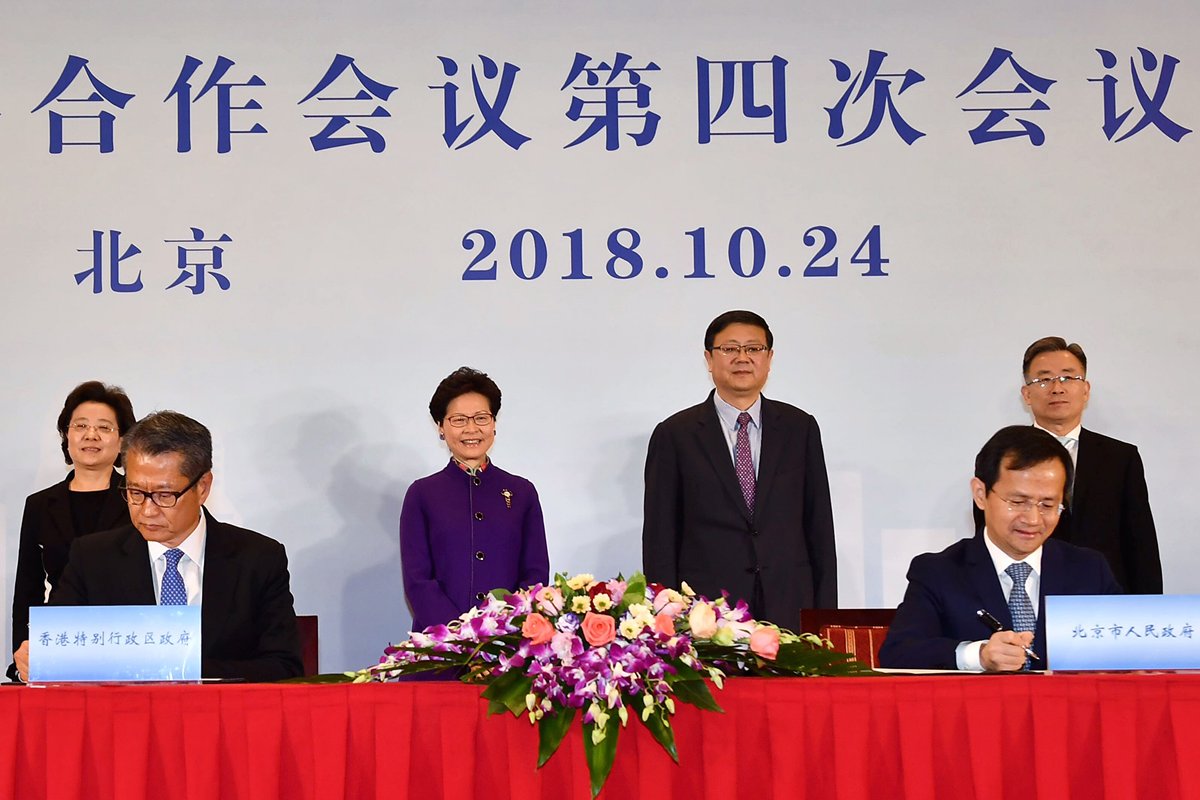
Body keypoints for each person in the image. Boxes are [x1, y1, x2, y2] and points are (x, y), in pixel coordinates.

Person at [12, 411, 302, 682]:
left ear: (202, 487)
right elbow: (59, 649)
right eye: (135, 492)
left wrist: (176, 669)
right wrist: (36, 659)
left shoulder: (258, 559)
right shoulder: (92, 559)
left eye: (164, 495)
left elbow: (284, 666)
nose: (147, 511)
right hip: (124, 717)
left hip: (221, 717)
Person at [642, 310, 837, 626]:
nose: (742, 358)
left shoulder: (799, 428)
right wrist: (666, 619)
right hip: (706, 614)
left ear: (769, 358)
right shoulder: (675, 434)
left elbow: (819, 529)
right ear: (709, 358)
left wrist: (825, 618)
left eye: (753, 348)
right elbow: (660, 539)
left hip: (790, 605)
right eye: (729, 349)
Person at [879, 426, 1122, 672]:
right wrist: (978, 656)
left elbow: (1126, 646)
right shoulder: (939, 572)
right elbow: (898, 653)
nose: (1033, 519)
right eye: (1018, 502)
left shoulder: (1089, 570)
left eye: (1048, 505)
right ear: (980, 494)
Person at [400, 367, 550, 632]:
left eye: (481, 418)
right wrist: (458, 633)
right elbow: (418, 580)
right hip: (439, 644)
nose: (472, 429)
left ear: (494, 424)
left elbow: (535, 575)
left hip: (506, 643)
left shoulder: (521, 492)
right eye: (459, 420)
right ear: (441, 427)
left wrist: (502, 629)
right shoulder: (422, 494)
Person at [8, 381, 136, 682]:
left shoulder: (139, 498)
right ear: (66, 435)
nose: (91, 435)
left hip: (124, 641)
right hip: (60, 642)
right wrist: (23, 655)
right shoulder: (39, 504)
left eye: (104, 427)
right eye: (80, 425)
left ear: (122, 441)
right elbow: (28, 588)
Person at [1019, 336, 1161, 593]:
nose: (1057, 388)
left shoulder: (1121, 458)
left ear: (1085, 390)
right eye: (1044, 379)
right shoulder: (1006, 458)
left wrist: (1148, 607)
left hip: (1104, 598)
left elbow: (1140, 545)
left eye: (1068, 377)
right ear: (1027, 394)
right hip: (1029, 595)